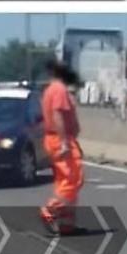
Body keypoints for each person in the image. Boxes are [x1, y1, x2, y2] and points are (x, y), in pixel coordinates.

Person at [38, 59, 85, 236]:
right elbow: (58, 115)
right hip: (60, 139)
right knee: (74, 179)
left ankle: (67, 224)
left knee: (64, 181)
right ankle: (50, 210)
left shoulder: (51, 89)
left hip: (57, 138)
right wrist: (65, 142)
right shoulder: (58, 90)